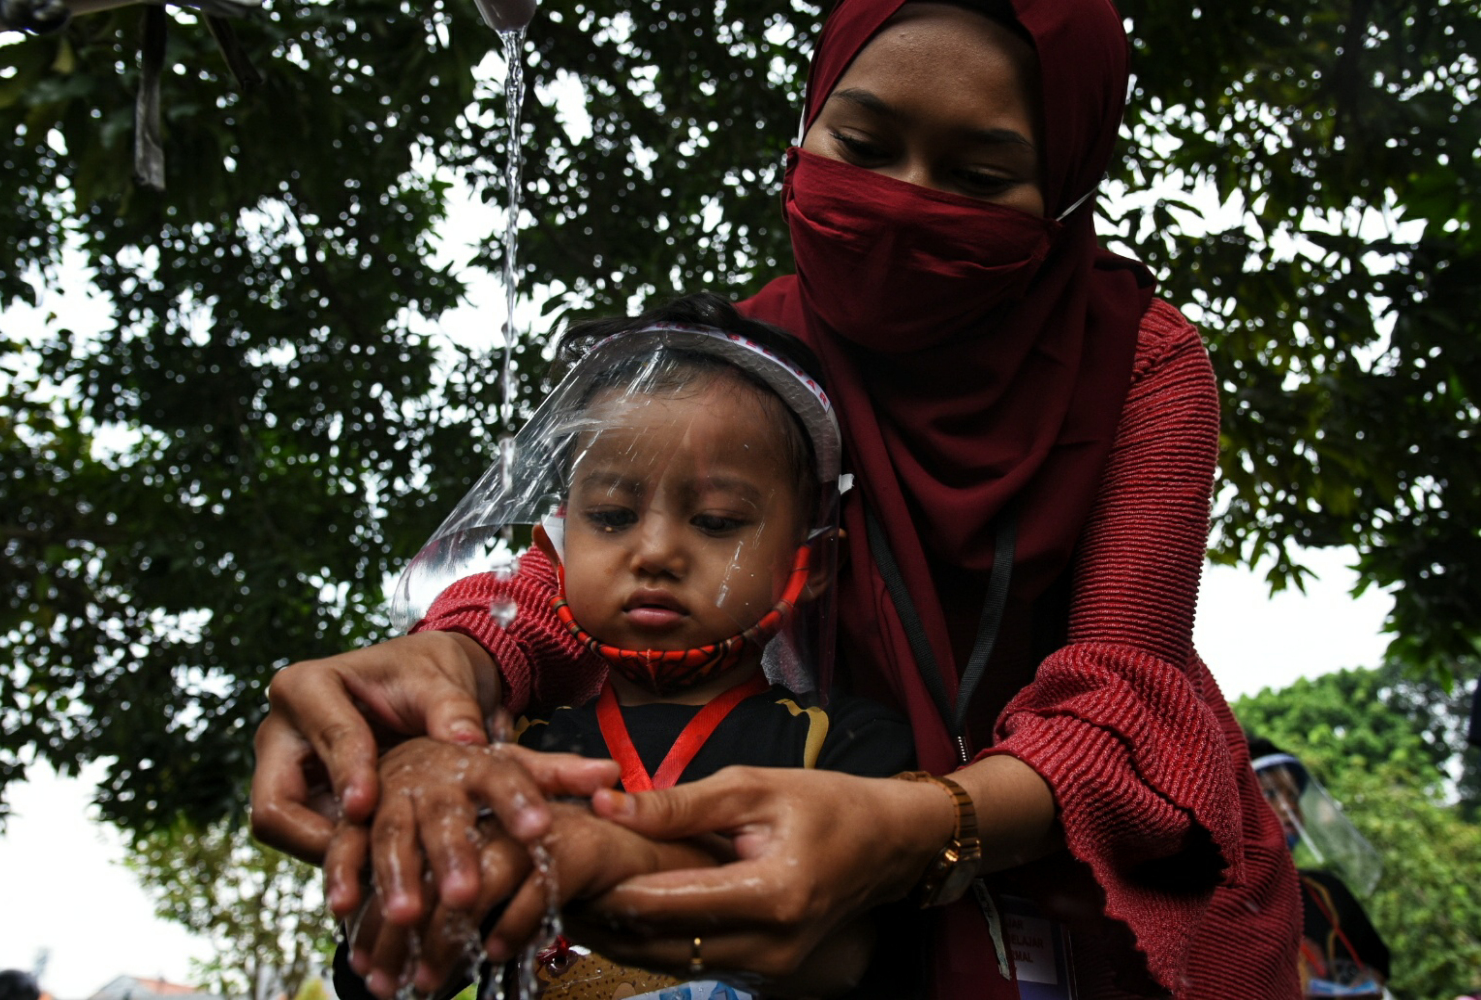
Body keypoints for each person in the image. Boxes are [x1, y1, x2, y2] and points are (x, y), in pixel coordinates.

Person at [251, 0, 1304, 996]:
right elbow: (557, 587)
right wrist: (459, 657)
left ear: (1068, 192)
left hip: (1075, 885)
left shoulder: (1140, 363)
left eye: (978, 175)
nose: (903, 200)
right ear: (806, 130)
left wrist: (919, 824)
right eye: (864, 144)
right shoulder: (755, 365)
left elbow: (1125, 677)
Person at [328, 296, 915, 1000]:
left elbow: (874, 961)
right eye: (610, 516)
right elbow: (381, 977)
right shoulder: (507, 757)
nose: (657, 551)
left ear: (812, 565)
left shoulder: (847, 754)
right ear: (558, 543)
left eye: (717, 521)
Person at [1249, 738, 1392, 999]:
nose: (1288, 806)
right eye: (1270, 794)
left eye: (1293, 795)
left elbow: (1375, 963)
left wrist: (1364, 984)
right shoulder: (1217, 903)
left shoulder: (1325, 891)